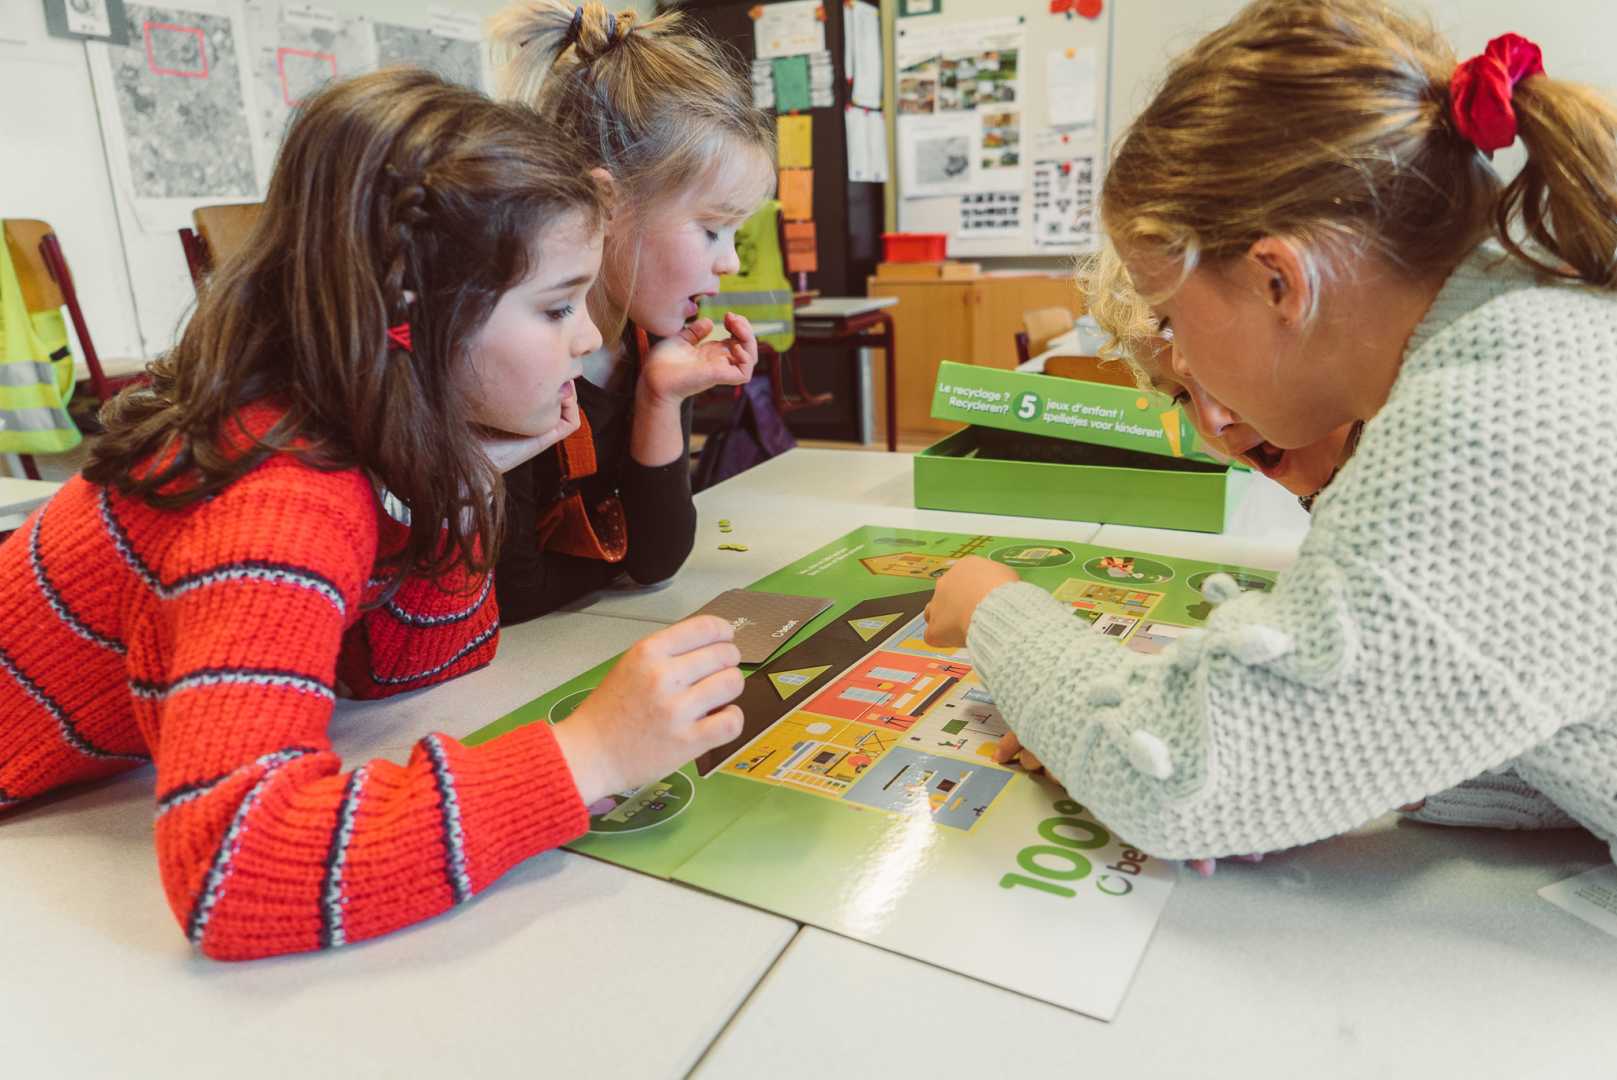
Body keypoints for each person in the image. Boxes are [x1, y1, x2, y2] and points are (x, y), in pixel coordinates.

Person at [0, 69, 746, 959]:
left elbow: (414, 664)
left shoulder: (343, 435)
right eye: (555, 306)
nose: (587, 337)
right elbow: (237, 871)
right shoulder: (273, 496)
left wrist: (462, 487)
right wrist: (588, 757)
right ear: (410, 308)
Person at [923, 0, 1617, 867]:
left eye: (1172, 316)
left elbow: (1176, 782)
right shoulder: (1538, 322)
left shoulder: (1491, 415)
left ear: (1277, 281)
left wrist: (993, 607)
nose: (1183, 364)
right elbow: (1554, 711)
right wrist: (1346, 764)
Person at [487, 0, 777, 623]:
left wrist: (659, 399)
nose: (729, 263)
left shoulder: (652, 340)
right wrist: (616, 563)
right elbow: (513, 593)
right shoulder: (513, 348)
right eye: (711, 230)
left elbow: (657, 559)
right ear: (605, 203)